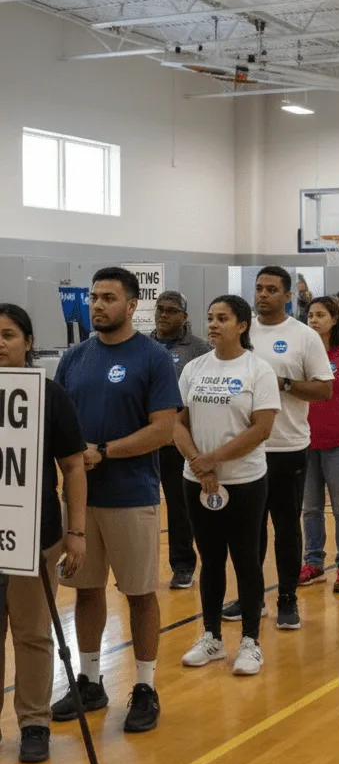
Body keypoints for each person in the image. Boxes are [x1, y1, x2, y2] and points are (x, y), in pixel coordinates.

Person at [52, 267, 182, 734]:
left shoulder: (154, 358)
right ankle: (90, 681)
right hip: (80, 501)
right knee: (86, 592)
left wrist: (103, 452)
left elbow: (164, 429)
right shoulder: (73, 358)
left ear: (132, 305)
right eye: (93, 297)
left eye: (108, 297)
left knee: (140, 593)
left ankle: (145, 686)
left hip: (132, 497)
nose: (98, 305)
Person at [175, 297, 280, 676]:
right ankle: (212, 637)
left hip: (245, 482)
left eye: (223, 318)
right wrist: (198, 465)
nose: (214, 324)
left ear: (242, 325)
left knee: (247, 560)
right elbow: (177, 422)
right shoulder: (194, 368)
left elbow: (262, 428)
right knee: (211, 560)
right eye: (210, 317)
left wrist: (214, 459)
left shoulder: (258, 370)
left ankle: (251, 641)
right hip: (198, 482)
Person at [0, 305, 87, 764]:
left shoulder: (50, 395)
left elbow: (73, 465)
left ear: (29, 342)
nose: (0, 342)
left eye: (8, 334)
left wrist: (76, 531)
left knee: (32, 633)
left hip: (37, 534)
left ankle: (34, 722)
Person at [228, 266, 333, 631]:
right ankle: (250, 597)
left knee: (286, 525)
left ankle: (287, 596)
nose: (263, 295)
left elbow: (324, 389)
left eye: (272, 289)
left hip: (286, 447)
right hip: (244, 448)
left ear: (287, 295)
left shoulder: (304, 336)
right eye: (259, 288)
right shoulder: (240, 333)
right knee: (247, 529)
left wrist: (284, 384)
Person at [151, 291, 211, 590]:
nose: (163, 314)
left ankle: (183, 566)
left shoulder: (199, 349)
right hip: (144, 442)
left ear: (184, 316)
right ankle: (142, 567)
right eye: (160, 309)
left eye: (171, 310)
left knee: (179, 508)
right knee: (142, 507)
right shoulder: (142, 345)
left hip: (178, 443)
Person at [299, 296, 339, 595]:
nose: (314, 320)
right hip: (305, 440)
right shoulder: (300, 354)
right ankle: (314, 562)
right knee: (310, 508)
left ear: (334, 319)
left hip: (338, 441)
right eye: (310, 315)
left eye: (320, 315)